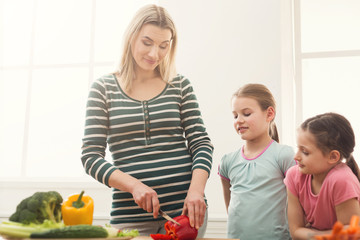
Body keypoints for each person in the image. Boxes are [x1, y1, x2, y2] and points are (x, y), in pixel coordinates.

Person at [80, 4, 213, 236]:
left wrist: (196, 192)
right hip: (128, 217)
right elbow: (91, 157)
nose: (154, 54)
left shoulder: (180, 85)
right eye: (147, 42)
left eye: (164, 46)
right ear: (131, 37)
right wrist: (134, 186)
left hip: (185, 213)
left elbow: (201, 143)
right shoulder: (103, 89)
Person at [218, 83, 295, 240]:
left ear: (269, 114)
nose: (239, 120)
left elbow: (299, 205)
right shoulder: (227, 161)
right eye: (235, 115)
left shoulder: (283, 155)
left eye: (246, 114)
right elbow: (231, 206)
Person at [284, 112, 360, 240]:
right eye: (298, 149)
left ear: (333, 157)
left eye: (305, 152)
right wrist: (328, 235)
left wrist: (311, 233)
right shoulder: (294, 176)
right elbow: (295, 231)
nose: (296, 157)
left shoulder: (341, 180)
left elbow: (351, 235)